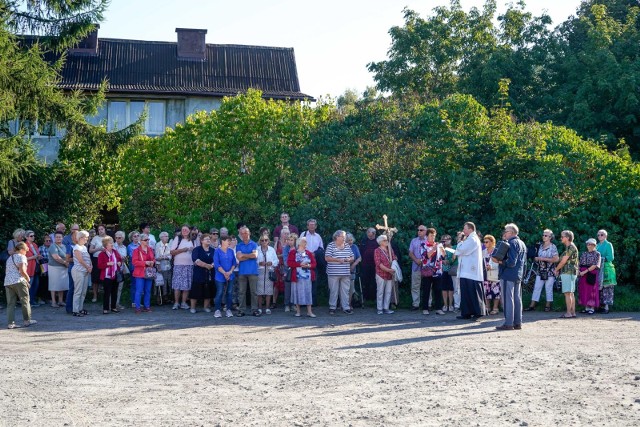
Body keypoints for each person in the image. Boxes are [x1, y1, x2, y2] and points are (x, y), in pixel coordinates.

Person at [495, 224, 528, 331]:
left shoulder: (512, 243)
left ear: (512, 232)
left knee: (507, 299)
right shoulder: (522, 243)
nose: (505, 232)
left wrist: (500, 261)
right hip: (518, 275)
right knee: (517, 299)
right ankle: (517, 323)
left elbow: (511, 262)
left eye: (506, 231)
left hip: (508, 274)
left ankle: (509, 323)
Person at [454, 222, 486, 321]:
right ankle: (466, 313)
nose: (463, 231)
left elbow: (462, 250)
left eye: (465, 229)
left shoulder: (473, 239)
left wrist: (459, 241)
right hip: (466, 270)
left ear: (471, 229)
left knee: (473, 292)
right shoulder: (469, 239)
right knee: (466, 293)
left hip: (471, 272)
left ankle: (478, 312)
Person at [4, 242, 37, 329]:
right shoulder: (22, 257)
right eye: (26, 250)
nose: (26, 251)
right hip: (19, 281)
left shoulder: (9, 258)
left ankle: (11, 323)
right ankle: (27, 320)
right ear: (22, 250)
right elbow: (22, 271)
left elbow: (7, 271)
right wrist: (27, 279)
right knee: (25, 301)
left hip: (8, 282)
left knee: (10, 303)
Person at [526, 229, 559, 312]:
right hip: (540, 270)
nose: (543, 237)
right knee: (537, 287)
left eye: (546, 235)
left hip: (550, 270)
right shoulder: (539, 246)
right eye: (543, 235)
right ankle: (532, 305)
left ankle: (548, 305)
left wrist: (542, 258)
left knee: (548, 288)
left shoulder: (553, 247)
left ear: (550, 237)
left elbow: (556, 259)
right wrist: (536, 259)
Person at [325, 230, 355, 315]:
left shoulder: (347, 245)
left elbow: (352, 257)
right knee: (333, 290)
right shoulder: (331, 245)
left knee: (345, 291)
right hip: (333, 273)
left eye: (344, 236)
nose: (345, 238)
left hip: (345, 272)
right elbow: (327, 258)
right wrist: (338, 260)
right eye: (343, 236)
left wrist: (349, 259)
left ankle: (346, 307)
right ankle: (332, 307)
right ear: (337, 237)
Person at [287, 236, 316, 317]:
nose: (306, 243)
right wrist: (299, 264)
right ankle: (298, 311)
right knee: (297, 293)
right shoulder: (293, 252)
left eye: (306, 242)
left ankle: (309, 312)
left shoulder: (309, 253)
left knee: (308, 293)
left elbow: (314, 264)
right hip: (297, 276)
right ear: (299, 243)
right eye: (304, 241)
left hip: (307, 276)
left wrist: (309, 265)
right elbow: (289, 263)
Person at [554, 230, 579, 318]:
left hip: (568, 272)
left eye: (562, 236)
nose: (561, 238)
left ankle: (568, 313)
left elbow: (563, 261)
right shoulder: (571, 247)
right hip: (572, 272)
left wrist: (556, 269)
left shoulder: (570, 247)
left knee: (567, 293)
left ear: (567, 238)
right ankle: (572, 312)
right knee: (571, 293)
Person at [420, 228, 445, 315]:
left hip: (437, 271)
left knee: (438, 290)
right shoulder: (423, 245)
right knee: (426, 289)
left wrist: (442, 250)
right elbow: (426, 256)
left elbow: (443, 257)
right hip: (427, 271)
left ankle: (438, 308)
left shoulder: (437, 245)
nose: (433, 238)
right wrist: (434, 248)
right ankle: (425, 308)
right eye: (431, 236)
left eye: (434, 236)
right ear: (427, 236)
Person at [236, 226, 259, 317]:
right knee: (241, 292)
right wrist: (249, 255)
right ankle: (241, 310)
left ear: (249, 233)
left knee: (254, 292)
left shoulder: (254, 244)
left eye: (245, 233)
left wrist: (243, 255)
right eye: (242, 233)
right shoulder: (239, 245)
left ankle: (254, 310)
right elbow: (239, 258)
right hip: (242, 271)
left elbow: (255, 255)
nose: (244, 235)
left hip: (253, 271)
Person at [170, 225, 195, 310]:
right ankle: (176, 303)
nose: (184, 231)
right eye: (183, 229)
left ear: (189, 231)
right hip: (178, 265)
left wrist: (193, 249)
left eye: (186, 229)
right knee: (177, 285)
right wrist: (183, 250)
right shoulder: (178, 239)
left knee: (186, 285)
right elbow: (172, 252)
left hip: (189, 265)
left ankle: (184, 302)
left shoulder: (193, 240)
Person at [190, 233, 215, 314]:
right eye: (206, 239)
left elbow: (216, 260)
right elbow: (196, 260)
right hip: (199, 273)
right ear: (201, 241)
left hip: (210, 274)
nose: (208, 240)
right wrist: (206, 265)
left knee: (208, 290)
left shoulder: (213, 250)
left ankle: (206, 307)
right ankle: (193, 307)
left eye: (209, 239)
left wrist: (211, 265)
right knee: (196, 290)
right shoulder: (196, 250)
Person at [300, 219, 323, 306]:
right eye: (310, 225)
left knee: (314, 281)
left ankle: (313, 302)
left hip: (314, 261)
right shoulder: (303, 234)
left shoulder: (318, 236)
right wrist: (308, 253)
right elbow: (300, 246)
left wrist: (314, 254)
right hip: (304, 260)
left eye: (313, 225)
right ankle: (303, 302)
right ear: (307, 226)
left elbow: (321, 249)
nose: (312, 226)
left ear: (316, 226)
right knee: (303, 281)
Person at [97, 236, 123, 314]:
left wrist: (119, 263)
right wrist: (107, 263)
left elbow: (120, 260)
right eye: (110, 243)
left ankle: (113, 307)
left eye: (112, 243)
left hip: (115, 275)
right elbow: (99, 265)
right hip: (106, 276)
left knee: (114, 292)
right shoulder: (102, 254)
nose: (112, 244)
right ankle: (105, 308)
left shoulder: (115, 252)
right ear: (106, 245)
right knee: (107, 292)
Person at [214, 235, 237, 318]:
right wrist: (224, 273)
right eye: (228, 240)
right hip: (220, 276)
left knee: (230, 293)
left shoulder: (231, 251)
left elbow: (234, 263)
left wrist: (230, 272)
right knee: (219, 292)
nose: (229, 242)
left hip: (230, 275)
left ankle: (228, 310)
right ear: (223, 241)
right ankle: (217, 310)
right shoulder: (217, 251)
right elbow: (216, 264)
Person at [132, 233, 155, 313]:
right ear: (140, 241)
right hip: (139, 273)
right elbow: (134, 262)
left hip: (148, 273)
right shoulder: (136, 251)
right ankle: (137, 307)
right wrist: (145, 262)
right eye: (145, 240)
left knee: (148, 290)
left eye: (148, 239)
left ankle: (146, 306)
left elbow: (153, 259)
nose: (147, 241)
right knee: (139, 291)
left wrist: (152, 262)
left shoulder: (150, 249)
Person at [577, 238, 601, 315]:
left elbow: (595, 265)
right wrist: (578, 271)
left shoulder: (597, 254)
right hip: (582, 274)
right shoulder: (584, 253)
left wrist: (585, 271)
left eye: (590, 244)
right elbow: (579, 263)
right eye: (587, 244)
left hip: (591, 273)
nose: (588, 245)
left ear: (594, 245)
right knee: (584, 290)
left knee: (592, 290)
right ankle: (586, 307)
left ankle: (592, 308)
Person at [256, 234, 279, 314]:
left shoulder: (272, 250)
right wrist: (259, 263)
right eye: (262, 240)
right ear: (260, 242)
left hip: (269, 271)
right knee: (259, 291)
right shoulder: (257, 249)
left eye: (266, 240)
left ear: (268, 241)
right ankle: (259, 308)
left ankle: (267, 308)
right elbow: (254, 261)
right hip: (260, 271)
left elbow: (276, 261)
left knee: (269, 291)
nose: (264, 242)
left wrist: (271, 263)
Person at [71, 230, 92, 317]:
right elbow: (80, 260)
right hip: (78, 271)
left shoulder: (84, 247)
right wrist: (88, 267)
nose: (87, 239)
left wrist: (91, 266)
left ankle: (80, 308)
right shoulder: (76, 248)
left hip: (85, 271)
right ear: (80, 238)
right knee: (78, 291)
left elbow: (88, 258)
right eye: (85, 237)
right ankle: (75, 310)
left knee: (83, 292)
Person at [373, 234, 396, 315]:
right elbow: (378, 264)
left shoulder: (390, 249)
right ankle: (379, 308)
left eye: (387, 240)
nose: (387, 242)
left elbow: (394, 259)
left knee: (388, 291)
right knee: (380, 291)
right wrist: (388, 270)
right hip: (381, 274)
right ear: (380, 242)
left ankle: (386, 308)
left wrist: (393, 264)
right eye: (385, 240)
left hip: (390, 274)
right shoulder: (377, 250)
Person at [408, 225, 428, 310]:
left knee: (428, 286)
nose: (419, 231)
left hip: (427, 267)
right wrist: (416, 260)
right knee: (415, 286)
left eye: (421, 230)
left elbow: (432, 252)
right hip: (416, 266)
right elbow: (410, 252)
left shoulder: (429, 240)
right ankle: (415, 304)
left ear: (426, 231)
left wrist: (423, 261)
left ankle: (428, 304)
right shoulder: (414, 240)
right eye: (418, 230)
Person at [596, 229, 616, 313]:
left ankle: (606, 307)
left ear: (605, 236)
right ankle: (600, 306)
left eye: (602, 234)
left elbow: (611, 257)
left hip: (607, 268)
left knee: (607, 287)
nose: (600, 236)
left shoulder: (608, 244)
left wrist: (601, 259)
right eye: (598, 235)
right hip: (598, 268)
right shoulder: (596, 245)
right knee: (599, 288)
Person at [47, 231, 69, 307]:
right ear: (54, 238)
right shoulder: (53, 246)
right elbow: (56, 257)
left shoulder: (64, 246)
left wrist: (67, 262)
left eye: (60, 237)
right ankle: (53, 302)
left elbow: (67, 256)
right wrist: (65, 263)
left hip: (63, 268)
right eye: (57, 237)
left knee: (61, 285)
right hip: (54, 267)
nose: (58, 238)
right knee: (53, 285)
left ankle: (60, 301)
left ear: (63, 238)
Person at [24, 230, 43, 307]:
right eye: (31, 236)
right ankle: (26, 302)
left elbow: (37, 254)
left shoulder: (35, 244)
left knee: (35, 285)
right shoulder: (24, 245)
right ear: (26, 237)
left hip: (36, 267)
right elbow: (22, 258)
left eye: (34, 235)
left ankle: (32, 300)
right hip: (29, 268)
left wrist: (39, 256)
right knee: (28, 285)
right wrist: (33, 257)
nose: (33, 237)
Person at [482, 235, 501, 315]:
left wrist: (492, 266)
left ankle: (495, 308)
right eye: (484, 242)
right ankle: (487, 307)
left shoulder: (497, 251)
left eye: (487, 242)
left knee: (496, 291)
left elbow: (500, 262)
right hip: (486, 273)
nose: (485, 243)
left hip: (495, 273)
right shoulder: (483, 251)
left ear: (492, 242)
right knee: (486, 290)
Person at [89, 224, 108, 303]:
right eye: (99, 229)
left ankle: (106, 296)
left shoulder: (109, 238)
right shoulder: (95, 238)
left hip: (106, 259)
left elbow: (112, 249)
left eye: (102, 229)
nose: (100, 230)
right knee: (95, 279)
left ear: (105, 229)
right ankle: (95, 295)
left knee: (106, 278)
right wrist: (98, 249)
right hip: (96, 259)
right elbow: (90, 250)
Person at [359, 228, 378, 301]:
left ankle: (373, 297)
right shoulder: (364, 240)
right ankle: (365, 297)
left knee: (374, 281)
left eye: (370, 235)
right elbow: (361, 250)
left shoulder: (378, 241)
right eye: (368, 234)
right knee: (365, 280)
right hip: (365, 264)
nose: (369, 236)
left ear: (374, 234)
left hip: (375, 264)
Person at [273, 227, 290, 309]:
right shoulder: (277, 242)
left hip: (287, 266)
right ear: (281, 234)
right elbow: (274, 254)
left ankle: (286, 303)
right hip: (278, 265)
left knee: (286, 284)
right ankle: (274, 302)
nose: (286, 235)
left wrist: (283, 256)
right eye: (285, 233)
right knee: (276, 284)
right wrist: (283, 255)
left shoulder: (290, 243)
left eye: (287, 233)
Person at [64, 225, 79, 314]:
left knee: (78, 289)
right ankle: (69, 307)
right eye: (76, 236)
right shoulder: (70, 246)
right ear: (73, 237)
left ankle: (76, 307)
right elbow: (67, 259)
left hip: (80, 269)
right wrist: (78, 259)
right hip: (72, 269)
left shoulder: (81, 246)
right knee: (72, 288)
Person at [281, 233, 297, 312]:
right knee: (287, 289)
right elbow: (285, 261)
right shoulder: (285, 249)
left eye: (291, 240)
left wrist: (295, 265)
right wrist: (293, 264)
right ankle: (287, 305)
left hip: (296, 271)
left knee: (295, 289)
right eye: (288, 240)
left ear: (295, 241)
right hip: (287, 271)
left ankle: (293, 304)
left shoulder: (298, 249)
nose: (290, 242)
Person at [155, 231, 172, 305]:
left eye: (167, 236)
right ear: (161, 237)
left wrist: (164, 257)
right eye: (165, 236)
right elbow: (157, 257)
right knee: (160, 282)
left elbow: (170, 256)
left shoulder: (169, 245)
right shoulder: (158, 245)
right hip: (161, 267)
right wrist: (158, 266)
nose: (167, 237)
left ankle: (166, 297)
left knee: (168, 282)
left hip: (168, 266)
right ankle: (159, 298)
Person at [346, 233, 362, 309]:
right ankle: (342, 304)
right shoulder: (343, 247)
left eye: (351, 240)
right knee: (343, 288)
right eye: (348, 240)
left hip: (352, 270)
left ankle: (349, 304)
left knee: (351, 288)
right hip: (343, 270)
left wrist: (354, 264)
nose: (350, 242)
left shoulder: (355, 247)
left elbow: (359, 258)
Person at [440, 234, 455, 312]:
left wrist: (449, 261)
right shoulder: (440, 248)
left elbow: (454, 259)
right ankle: (445, 305)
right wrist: (442, 261)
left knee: (451, 288)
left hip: (451, 271)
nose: (446, 240)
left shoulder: (453, 248)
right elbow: (437, 258)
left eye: (448, 239)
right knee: (444, 288)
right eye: (444, 239)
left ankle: (450, 305)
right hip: (443, 271)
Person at [113, 231, 128, 310]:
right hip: (113, 269)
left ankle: (117, 303)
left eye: (119, 238)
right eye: (116, 238)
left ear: (123, 238)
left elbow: (124, 258)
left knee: (119, 288)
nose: (117, 239)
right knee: (112, 287)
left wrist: (124, 258)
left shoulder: (124, 247)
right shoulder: (112, 246)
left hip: (120, 269)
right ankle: (111, 304)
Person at [37, 233, 51, 305]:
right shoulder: (40, 248)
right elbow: (39, 258)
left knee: (49, 282)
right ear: (44, 241)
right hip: (43, 264)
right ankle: (40, 298)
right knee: (42, 281)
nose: (48, 242)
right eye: (46, 241)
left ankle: (47, 298)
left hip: (51, 265)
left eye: (49, 240)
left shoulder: (52, 247)